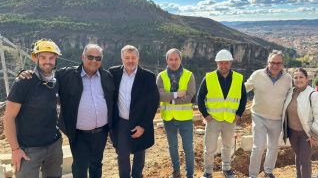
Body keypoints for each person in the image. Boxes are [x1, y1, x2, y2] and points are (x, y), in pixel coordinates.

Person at [18, 44, 115, 178]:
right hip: (78, 133)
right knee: (80, 166)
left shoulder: (107, 76)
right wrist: (24, 72)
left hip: (101, 132)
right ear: (82, 57)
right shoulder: (66, 75)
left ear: (101, 60)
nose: (94, 61)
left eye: (97, 58)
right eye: (90, 57)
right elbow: (45, 74)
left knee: (97, 164)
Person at [4, 39, 63, 178]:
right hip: (28, 149)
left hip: (54, 145)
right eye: (43, 57)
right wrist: (15, 149)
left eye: (51, 58)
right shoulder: (24, 82)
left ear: (56, 59)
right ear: (35, 58)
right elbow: (9, 117)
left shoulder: (55, 82)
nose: (47, 61)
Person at [109, 45, 159, 178]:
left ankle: (138, 176)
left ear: (138, 58)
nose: (130, 61)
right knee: (122, 155)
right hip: (121, 123)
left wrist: (143, 125)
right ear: (122, 58)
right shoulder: (113, 73)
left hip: (140, 122)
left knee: (139, 155)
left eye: (133, 58)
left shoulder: (148, 76)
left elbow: (153, 103)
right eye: (127, 57)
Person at [198, 49, 247, 178]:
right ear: (217, 63)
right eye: (221, 63)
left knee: (227, 145)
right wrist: (205, 115)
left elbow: (243, 98)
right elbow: (200, 97)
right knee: (209, 148)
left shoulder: (238, 78)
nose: (223, 66)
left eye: (226, 63)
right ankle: (208, 171)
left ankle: (227, 168)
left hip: (230, 119)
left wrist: (239, 114)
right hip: (213, 119)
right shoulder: (209, 78)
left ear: (230, 63)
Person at [246, 50, 292, 178]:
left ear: (282, 64)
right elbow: (244, 89)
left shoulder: (287, 78)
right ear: (268, 62)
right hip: (259, 116)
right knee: (258, 147)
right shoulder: (257, 75)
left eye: (278, 63)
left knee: (273, 147)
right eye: (273, 62)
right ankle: (253, 175)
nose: (275, 66)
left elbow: (291, 97)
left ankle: (268, 171)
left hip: (277, 119)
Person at [282, 68, 318, 178]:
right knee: (298, 156)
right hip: (292, 132)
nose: (298, 80)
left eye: (301, 77)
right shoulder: (291, 92)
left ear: (307, 79)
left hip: (307, 134)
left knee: (304, 160)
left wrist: (314, 134)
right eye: (296, 77)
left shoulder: (314, 95)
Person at [157, 48, 196, 178]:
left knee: (188, 148)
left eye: (176, 59)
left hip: (185, 118)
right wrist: (176, 95)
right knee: (172, 147)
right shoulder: (161, 76)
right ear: (167, 60)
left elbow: (190, 96)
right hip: (168, 119)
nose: (173, 62)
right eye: (170, 59)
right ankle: (176, 171)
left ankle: (190, 174)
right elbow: (160, 96)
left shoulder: (189, 75)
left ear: (180, 60)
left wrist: (171, 100)